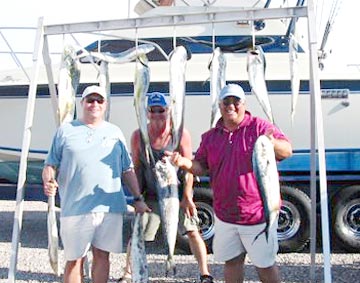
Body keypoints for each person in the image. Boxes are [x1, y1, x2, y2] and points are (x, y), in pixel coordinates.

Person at [167, 84, 293, 283]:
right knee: (232, 263)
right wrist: (183, 162)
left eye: (236, 101)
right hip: (225, 215)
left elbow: (286, 151)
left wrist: (271, 142)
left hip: (258, 215)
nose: (231, 106)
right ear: (220, 105)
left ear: (244, 104)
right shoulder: (210, 137)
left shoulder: (259, 127)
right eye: (226, 102)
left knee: (265, 266)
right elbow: (201, 166)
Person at [42, 85, 150, 283]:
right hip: (75, 208)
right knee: (74, 260)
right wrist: (48, 181)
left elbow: (127, 169)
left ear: (105, 105)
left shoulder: (115, 132)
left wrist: (138, 198)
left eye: (99, 100)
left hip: (109, 208)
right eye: (90, 100)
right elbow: (50, 164)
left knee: (102, 256)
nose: (94, 104)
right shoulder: (65, 131)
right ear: (82, 103)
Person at [118, 92, 215, 283]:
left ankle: (205, 273)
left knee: (192, 231)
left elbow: (189, 167)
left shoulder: (179, 134)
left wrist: (187, 196)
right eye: (152, 111)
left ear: (168, 111)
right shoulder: (139, 136)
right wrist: (138, 197)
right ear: (147, 113)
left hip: (175, 193)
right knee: (138, 232)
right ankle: (128, 273)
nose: (156, 115)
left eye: (160, 110)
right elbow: (136, 167)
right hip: (151, 194)